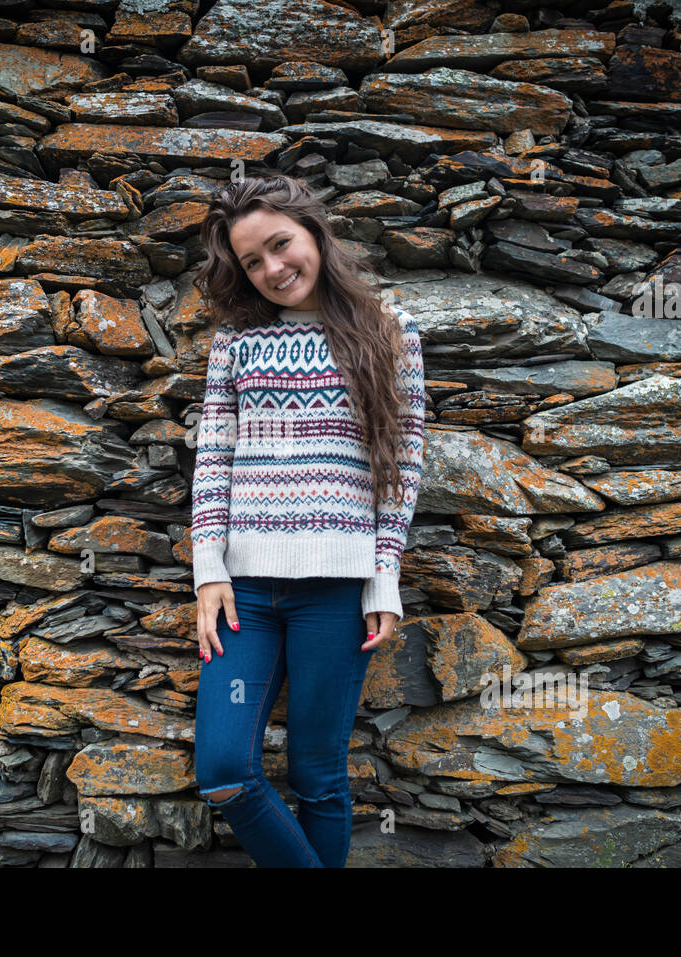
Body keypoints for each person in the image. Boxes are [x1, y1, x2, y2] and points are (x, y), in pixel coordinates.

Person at [188, 173, 427, 867]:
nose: (271, 268)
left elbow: (402, 463)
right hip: (243, 598)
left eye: (280, 244)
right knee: (225, 769)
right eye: (251, 261)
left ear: (315, 232)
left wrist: (384, 578)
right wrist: (209, 571)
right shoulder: (236, 340)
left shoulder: (389, 329)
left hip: (337, 591)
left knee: (319, 779)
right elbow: (213, 457)